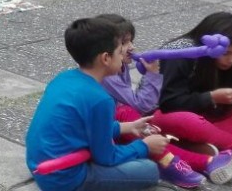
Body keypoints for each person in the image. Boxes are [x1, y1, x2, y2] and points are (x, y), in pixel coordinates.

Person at [97, 14, 232, 187]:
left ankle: (196, 151)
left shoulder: (118, 66)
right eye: (124, 43)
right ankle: (211, 156)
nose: (132, 47)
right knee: (143, 126)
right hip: (160, 116)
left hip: (153, 120)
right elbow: (154, 105)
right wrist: (211, 97)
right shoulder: (180, 53)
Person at [25, 17, 167, 191]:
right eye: (119, 50)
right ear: (106, 58)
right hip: (65, 179)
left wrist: (126, 127)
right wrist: (144, 146)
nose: (123, 55)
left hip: (39, 165)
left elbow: (86, 126)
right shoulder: (100, 99)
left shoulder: (63, 78)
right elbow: (107, 157)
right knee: (149, 170)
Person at [159, 12, 232, 151]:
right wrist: (211, 97)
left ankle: (212, 143)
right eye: (226, 53)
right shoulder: (181, 53)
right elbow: (168, 104)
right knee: (189, 123)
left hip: (212, 115)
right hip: (170, 114)